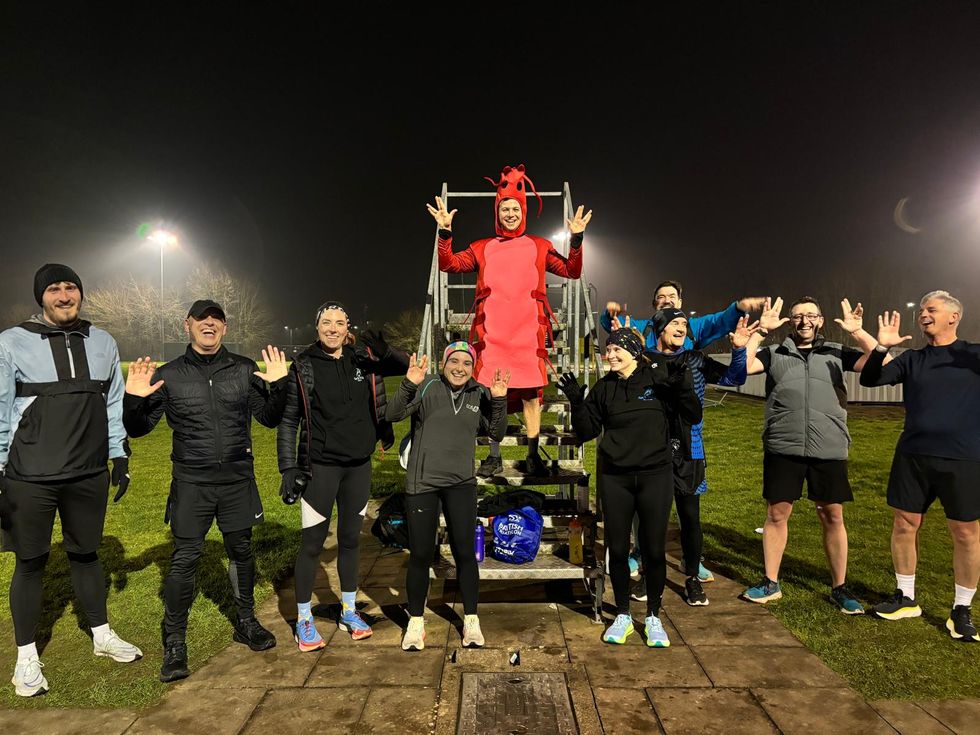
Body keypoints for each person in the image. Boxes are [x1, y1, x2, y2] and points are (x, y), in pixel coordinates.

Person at [123, 299, 288, 682]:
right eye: (202, 319)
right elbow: (138, 428)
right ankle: (175, 639)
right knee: (185, 558)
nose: (209, 325)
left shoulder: (244, 369)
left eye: (216, 320)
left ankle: (245, 621)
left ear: (225, 329)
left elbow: (269, 418)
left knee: (241, 550)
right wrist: (134, 398)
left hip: (236, 480)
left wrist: (278, 387)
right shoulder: (171, 374)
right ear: (188, 325)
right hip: (192, 483)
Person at [0, 264, 141, 698]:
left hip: (88, 472)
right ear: (41, 297)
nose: (64, 296)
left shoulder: (103, 342)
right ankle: (26, 656)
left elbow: (113, 401)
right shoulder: (11, 342)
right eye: (55, 289)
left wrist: (118, 453)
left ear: (80, 294)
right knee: (31, 562)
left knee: (86, 554)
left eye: (71, 288)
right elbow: (1, 408)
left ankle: (101, 634)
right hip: (30, 476)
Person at [427, 163, 592, 478]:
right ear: (497, 212)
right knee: (491, 394)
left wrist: (576, 239)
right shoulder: (482, 247)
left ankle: (532, 455)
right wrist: (445, 232)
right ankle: (494, 455)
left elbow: (573, 270)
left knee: (532, 395)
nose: (510, 213)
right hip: (492, 336)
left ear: (524, 210)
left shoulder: (540, 246)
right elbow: (448, 264)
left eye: (515, 208)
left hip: (528, 335)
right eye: (505, 208)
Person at [558, 328, 702, 647]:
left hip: (655, 476)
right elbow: (585, 432)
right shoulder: (605, 387)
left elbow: (692, 414)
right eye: (606, 350)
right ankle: (622, 614)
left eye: (615, 350)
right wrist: (577, 404)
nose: (608, 355)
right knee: (618, 549)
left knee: (653, 550)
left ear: (633, 351)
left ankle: (653, 616)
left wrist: (683, 387)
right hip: (615, 478)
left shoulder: (657, 378)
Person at [277, 301, 408, 651]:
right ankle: (304, 618)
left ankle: (349, 609)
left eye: (339, 323)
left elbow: (404, 365)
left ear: (347, 326)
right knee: (312, 545)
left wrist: (386, 349)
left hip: (358, 467)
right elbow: (289, 419)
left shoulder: (362, 358)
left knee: (351, 541)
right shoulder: (304, 365)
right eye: (326, 323)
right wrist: (288, 466)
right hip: (320, 467)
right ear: (316, 327)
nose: (332, 329)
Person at [741, 296, 880, 613]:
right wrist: (760, 332)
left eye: (811, 316)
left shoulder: (836, 352)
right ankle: (770, 582)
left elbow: (879, 363)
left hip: (828, 448)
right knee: (776, 515)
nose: (804, 321)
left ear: (820, 320)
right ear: (789, 322)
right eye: (798, 316)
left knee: (832, 515)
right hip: (783, 447)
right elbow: (743, 367)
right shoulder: (774, 353)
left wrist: (858, 332)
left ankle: (840, 587)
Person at [859, 292, 979, 642]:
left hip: (964, 457)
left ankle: (961, 610)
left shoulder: (973, 355)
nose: (923, 315)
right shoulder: (913, 358)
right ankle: (906, 597)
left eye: (932, 310)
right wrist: (881, 349)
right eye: (922, 310)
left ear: (954, 316)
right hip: (913, 455)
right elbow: (870, 380)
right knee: (905, 523)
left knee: (966, 532)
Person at [385, 342, 509, 651]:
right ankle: (415, 622)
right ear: (443, 363)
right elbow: (393, 412)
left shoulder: (478, 393)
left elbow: (496, 433)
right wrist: (408, 384)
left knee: (465, 553)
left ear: (473, 367)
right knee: (421, 554)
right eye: (454, 361)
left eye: (467, 363)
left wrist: (499, 400)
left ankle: (470, 620)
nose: (460, 368)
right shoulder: (427, 388)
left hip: (461, 483)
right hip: (423, 483)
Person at [633, 308, 754, 606]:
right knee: (652, 519)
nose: (680, 328)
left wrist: (739, 350)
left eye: (684, 324)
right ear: (659, 329)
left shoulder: (696, 359)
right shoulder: (644, 360)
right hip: (652, 451)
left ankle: (692, 580)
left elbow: (733, 377)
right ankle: (649, 575)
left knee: (690, 518)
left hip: (690, 451)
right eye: (674, 323)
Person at [601, 280, 766, 350]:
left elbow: (719, 321)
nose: (667, 301)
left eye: (672, 297)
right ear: (654, 304)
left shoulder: (693, 327)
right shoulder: (642, 328)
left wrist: (738, 308)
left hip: (685, 418)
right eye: (661, 297)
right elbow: (616, 325)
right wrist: (610, 314)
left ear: (680, 302)